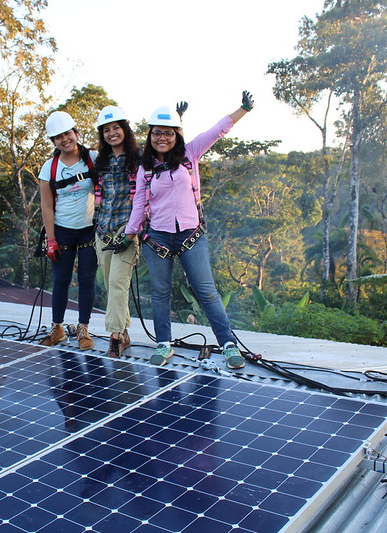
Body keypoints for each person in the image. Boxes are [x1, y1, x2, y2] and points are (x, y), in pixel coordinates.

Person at [125, 91, 254, 368]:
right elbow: (139, 201)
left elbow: (217, 131)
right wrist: (130, 232)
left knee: (206, 290)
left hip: (190, 234)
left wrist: (242, 109)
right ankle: (163, 343)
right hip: (157, 237)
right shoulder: (145, 168)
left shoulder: (189, 154)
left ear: (177, 135)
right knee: (160, 292)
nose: (162, 138)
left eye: (169, 133)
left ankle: (228, 344)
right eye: (157, 133)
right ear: (150, 136)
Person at [38, 111, 98, 350]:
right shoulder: (50, 167)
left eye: (67, 133)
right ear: (53, 142)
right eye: (58, 137)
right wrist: (51, 239)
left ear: (76, 133)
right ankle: (57, 329)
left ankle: (84, 330)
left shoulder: (92, 158)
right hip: (62, 230)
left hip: (89, 230)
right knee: (61, 280)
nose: (64, 139)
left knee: (87, 279)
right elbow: (46, 205)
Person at [93, 106, 141, 358]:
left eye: (116, 128)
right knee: (111, 286)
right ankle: (124, 333)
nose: (112, 133)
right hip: (102, 229)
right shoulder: (99, 162)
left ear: (125, 129)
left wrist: (134, 231)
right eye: (106, 130)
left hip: (127, 229)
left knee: (118, 284)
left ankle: (113, 338)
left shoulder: (139, 159)